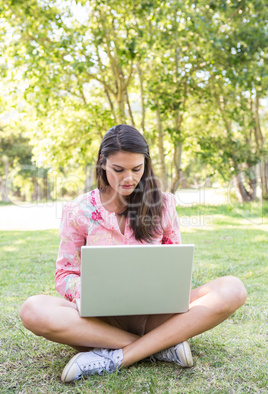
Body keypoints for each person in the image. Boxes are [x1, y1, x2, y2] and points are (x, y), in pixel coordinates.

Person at [20, 124, 247, 383]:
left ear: (145, 165)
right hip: (98, 319)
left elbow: (175, 265)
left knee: (233, 288)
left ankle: (119, 356)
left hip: (154, 314)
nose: (128, 178)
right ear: (103, 164)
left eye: (136, 169)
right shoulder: (78, 209)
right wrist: (91, 291)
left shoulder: (163, 204)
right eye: (118, 170)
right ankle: (159, 347)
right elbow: (65, 273)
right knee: (33, 309)